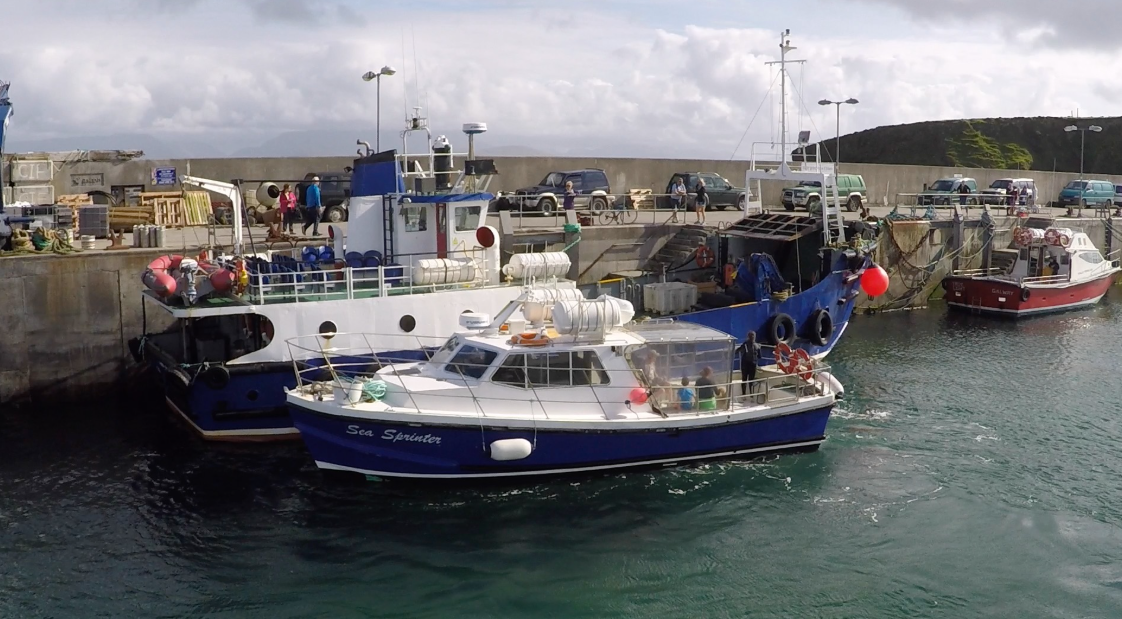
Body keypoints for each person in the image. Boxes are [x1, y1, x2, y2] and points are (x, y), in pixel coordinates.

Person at [735, 331, 761, 397]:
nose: (752, 337)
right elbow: (760, 356)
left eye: (753, 336)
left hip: (751, 365)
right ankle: (746, 394)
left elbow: (759, 356)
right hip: (747, 365)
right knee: (746, 380)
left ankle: (750, 395)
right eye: (751, 336)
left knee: (749, 380)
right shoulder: (748, 345)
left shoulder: (755, 345)